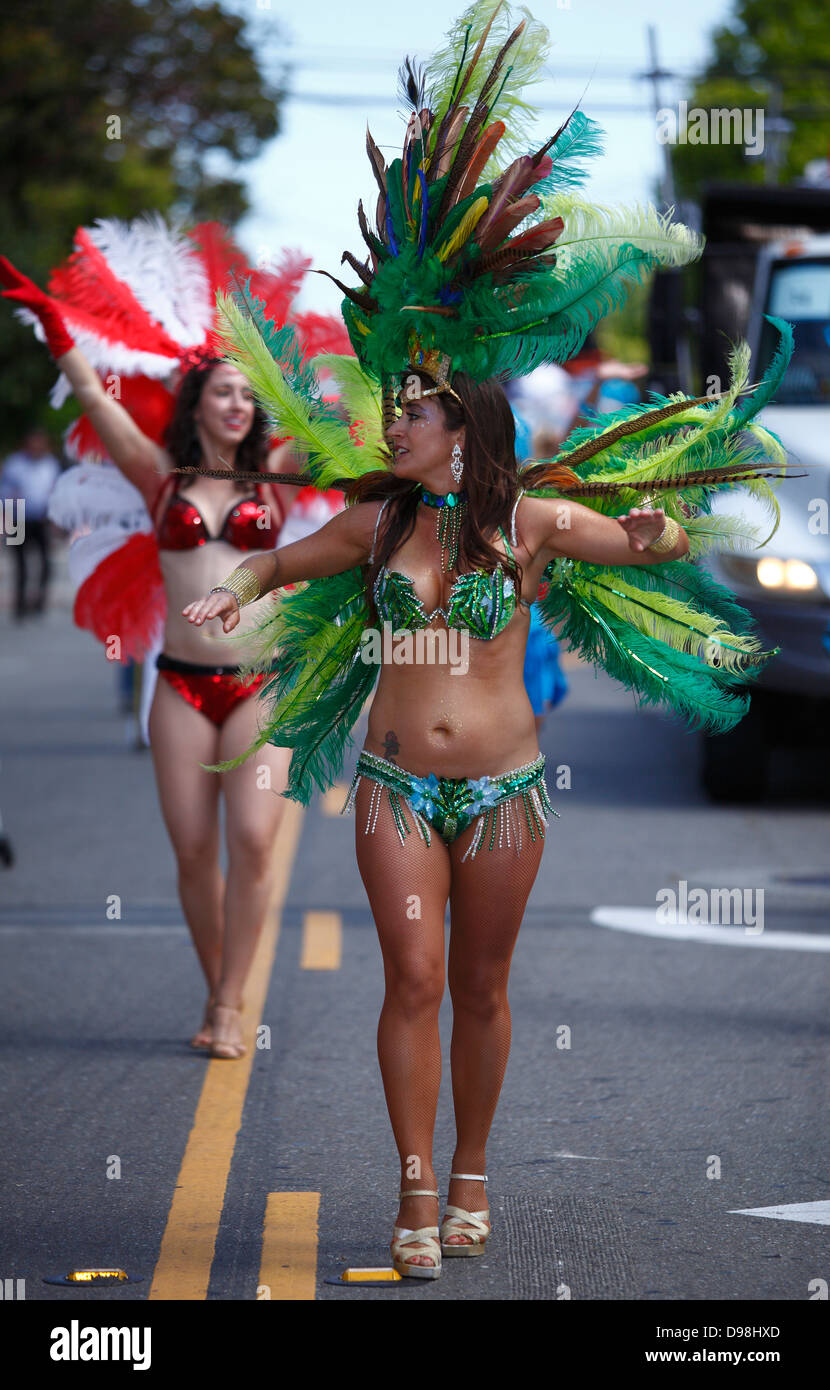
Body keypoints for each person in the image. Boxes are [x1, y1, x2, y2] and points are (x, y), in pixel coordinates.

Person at [178, 0, 796, 1278]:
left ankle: (470, 1175)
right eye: (394, 408)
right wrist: (234, 589)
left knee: (481, 990)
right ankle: (413, 1194)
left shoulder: (532, 524)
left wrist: (669, 536)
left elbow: (645, 547)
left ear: (461, 427)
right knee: (409, 979)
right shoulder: (376, 522)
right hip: (397, 785)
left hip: (508, 791)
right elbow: (278, 554)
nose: (390, 423)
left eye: (410, 412)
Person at [0, 221, 349, 1059]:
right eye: (222, 391)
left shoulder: (282, 467)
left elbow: (353, 405)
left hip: (262, 684)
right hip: (183, 688)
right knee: (194, 852)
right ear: (199, 403)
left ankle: (231, 1003)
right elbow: (94, 402)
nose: (237, 404)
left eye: (247, 392)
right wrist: (55, 332)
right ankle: (217, 986)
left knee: (256, 839)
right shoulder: (160, 479)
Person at [1, 427, 61, 619]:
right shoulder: (15, 463)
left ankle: (39, 602)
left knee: (45, 562)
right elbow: (5, 491)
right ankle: (20, 605)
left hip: (41, 518)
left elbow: (55, 489)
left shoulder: (50, 464)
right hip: (18, 516)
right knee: (20, 563)